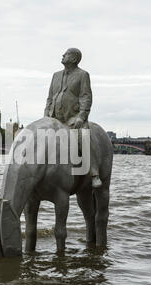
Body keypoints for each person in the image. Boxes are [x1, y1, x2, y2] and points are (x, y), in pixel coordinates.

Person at [44, 48, 102, 188]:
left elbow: (86, 97)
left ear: (75, 59)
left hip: (73, 119)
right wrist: (46, 115)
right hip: (54, 119)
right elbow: (50, 98)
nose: (63, 55)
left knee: (83, 136)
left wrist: (81, 117)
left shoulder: (83, 75)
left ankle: (94, 174)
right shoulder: (55, 75)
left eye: (67, 54)